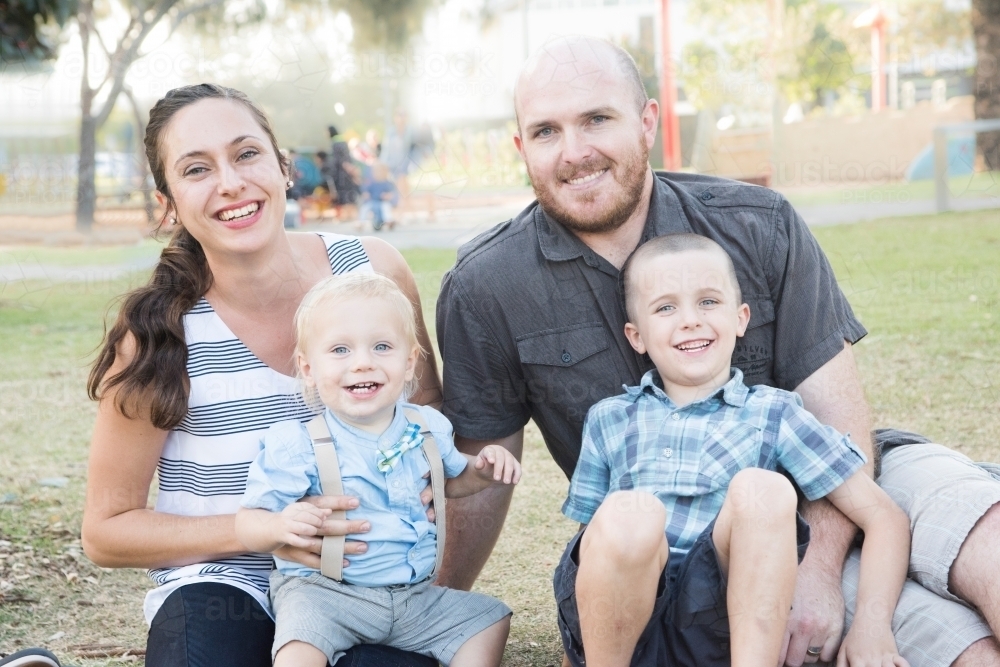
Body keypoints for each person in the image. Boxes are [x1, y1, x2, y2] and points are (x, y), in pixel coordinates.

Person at [435, 35, 1000, 667]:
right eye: (545, 131)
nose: (574, 152)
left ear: (647, 121)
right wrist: (433, 604)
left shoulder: (759, 225)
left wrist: (815, 572)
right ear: (521, 147)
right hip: (718, 559)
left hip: (843, 480)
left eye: (597, 118)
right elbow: (481, 471)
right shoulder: (487, 287)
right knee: (971, 652)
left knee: (990, 548)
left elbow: (842, 429)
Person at [81, 83, 444, 667]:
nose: (230, 182)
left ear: (282, 168)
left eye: (246, 154)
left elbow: (425, 422)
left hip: (363, 585)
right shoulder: (156, 334)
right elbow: (106, 529)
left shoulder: (373, 271)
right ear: (168, 203)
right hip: (221, 587)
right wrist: (257, 529)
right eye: (196, 169)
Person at [557, 233, 910, 667]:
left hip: (721, 626)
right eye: (665, 307)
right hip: (623, 626)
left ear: (741, 318)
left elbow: (883, 517)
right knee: (630, 513)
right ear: (637, 336)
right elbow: (589, 542)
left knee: (763, 490)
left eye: (708, 301)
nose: (689, 320)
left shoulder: (774, 413)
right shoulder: (610, 418)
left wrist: (872, 627)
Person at [234, 272, 518, 667]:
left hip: (413, 597)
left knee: (488, 619)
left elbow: (452, 481)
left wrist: (482, 470)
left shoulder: (428, 428)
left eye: (381, 346)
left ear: (408, 362)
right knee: (300, 645)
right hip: (326, 594)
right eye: (340, 350)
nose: (363, 363)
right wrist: (279, 525)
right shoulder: (298, 444)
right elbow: (248, 523)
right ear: (308, 368)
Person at [360, 162, 399, 231]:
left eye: (380, 171)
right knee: (365, 208)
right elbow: (366, 191)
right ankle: (361, 222)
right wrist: (366, 194)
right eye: (376, 172)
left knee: (385, 207)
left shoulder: (387, 183)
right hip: (373, 201)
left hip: (382, 201)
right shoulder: (371, 183)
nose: (378, 173)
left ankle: (389, 220)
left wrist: (387, 196)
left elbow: (391, 193)